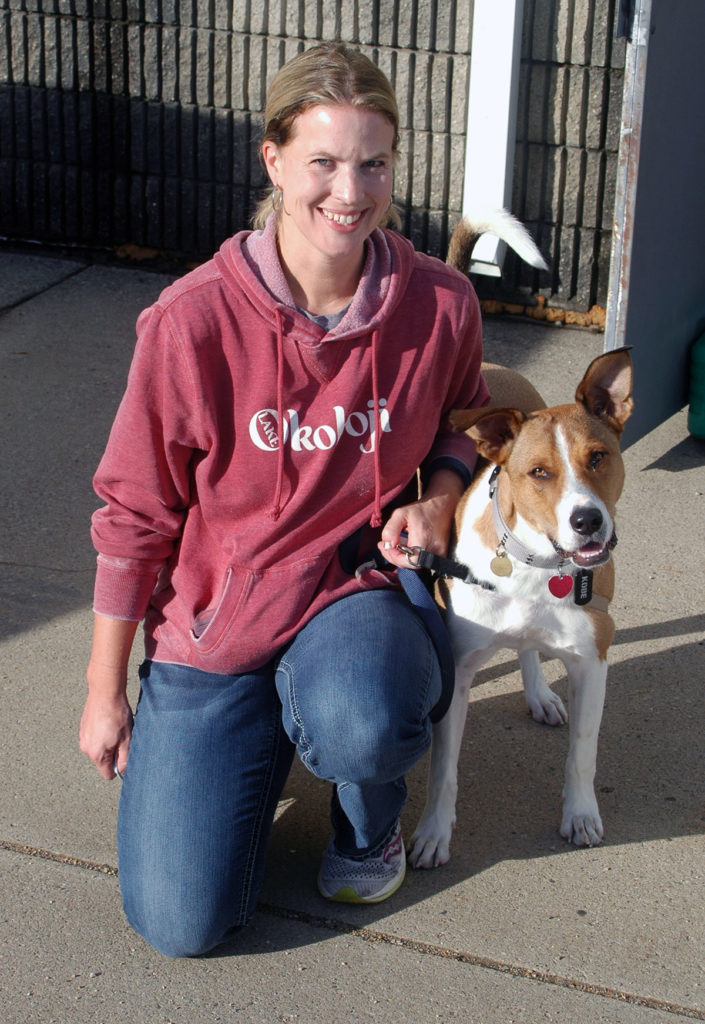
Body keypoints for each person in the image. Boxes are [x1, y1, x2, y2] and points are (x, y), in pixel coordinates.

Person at [79, 42, 490, 958]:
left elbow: (466, 419)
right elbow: (135, 512)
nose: (350, 190)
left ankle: (364, 812)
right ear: (272, 160)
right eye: (324, 162)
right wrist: (107, 688)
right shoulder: (191, 320)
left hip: (356, 598)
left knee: (363, 717)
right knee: (179, 924)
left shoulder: (439, 304)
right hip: (219, 623)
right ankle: (252, 735)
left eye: (373, 163)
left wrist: (445, 494)